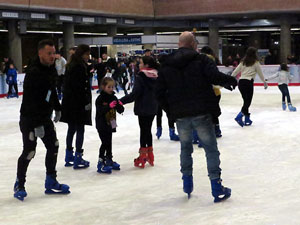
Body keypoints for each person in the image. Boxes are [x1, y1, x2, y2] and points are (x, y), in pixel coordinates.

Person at [156, 31, 237, 202]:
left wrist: (170, 111)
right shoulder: (202, 60)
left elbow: (159, 92)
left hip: (180, 113)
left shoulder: (166, 64)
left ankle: (187, 183)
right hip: (201, 111)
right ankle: (216, 186)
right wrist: (230, 81)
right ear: (193, 44)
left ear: (179, 44)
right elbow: (214, 76)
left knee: (185, 148)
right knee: (210, 148)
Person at [14, 39, 70, 201]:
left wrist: (58, 108)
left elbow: (51, 91)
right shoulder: (33, 73)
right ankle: (20, 183)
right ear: (40, 53)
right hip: (30, 118)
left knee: (54, 146)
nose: (53, 56)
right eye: (49, 53)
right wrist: (37, 124)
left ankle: (51, 180)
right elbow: (31, 101)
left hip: (44, 117)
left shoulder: (50, 69)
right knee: (30, 151)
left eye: (53, 53)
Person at [120, 56, 158, 169]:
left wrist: (120, 102)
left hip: (142, 107)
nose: (139, 65)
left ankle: (142, 156)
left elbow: (135, 94)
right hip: (153, 107)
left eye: (140, 63)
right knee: (148, 129)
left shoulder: (141, 76)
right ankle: (150, 154)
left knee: (144, 130)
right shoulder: (156, 75)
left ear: (146, 65)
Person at [60, 44, 92, 169]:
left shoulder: (71, 65)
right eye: (87, 54)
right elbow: (79, 88)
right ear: (82, 54)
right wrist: (86, 102)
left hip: (69, 103)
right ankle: (78, 156)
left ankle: (69, 156)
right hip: (78, 104)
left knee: (71, 129)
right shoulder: (79, 66)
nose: (88, 56)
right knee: (80, 129)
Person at [231, 47, 268, 127]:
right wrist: (264, 82)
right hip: (248, 82)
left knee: (245, 101)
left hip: (241, 82)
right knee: (248, 102)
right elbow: (260, 73)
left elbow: (235, 71)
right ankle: (239, 116)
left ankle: (247, 118)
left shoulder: (243, 62)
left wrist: (230, 79)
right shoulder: (255, 62)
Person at [95, 77, 124, 173]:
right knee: (104, 142)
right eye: (109, 87)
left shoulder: (113, 97)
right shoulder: (100, 99)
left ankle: (109, 159)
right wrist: (108, 106)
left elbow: (120, 110)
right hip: (101, 124)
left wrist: (119, 105)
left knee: (109, 142)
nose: (111, 89)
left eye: (112, 87)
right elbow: (99, 111)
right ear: (103, 87)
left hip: (111, 122)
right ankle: (101, 161)